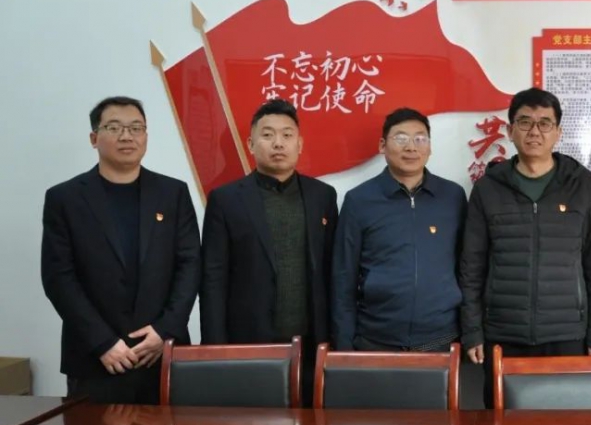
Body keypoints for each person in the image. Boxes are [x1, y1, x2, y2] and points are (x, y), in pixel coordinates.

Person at [459, 87, 591, 407]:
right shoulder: (488, 189)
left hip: (568, 334)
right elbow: (471, 268)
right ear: (510, 131)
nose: (534, 131)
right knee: (502, 423)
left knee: (565, 423)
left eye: (545, 123)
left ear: (558, 132)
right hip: (503, 333)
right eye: (525, 122)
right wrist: (472, 330)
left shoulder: (582, 185)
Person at [42, 96, 200, 404]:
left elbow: (190, 264)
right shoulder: (65, 199)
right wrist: (102, 342)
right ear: (94, 138)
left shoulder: (173, 193)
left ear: (146, 136)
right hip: (95, 359)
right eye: (114, 128)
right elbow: (58, 278)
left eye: (136, 128)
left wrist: (164, 330)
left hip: (161, 354)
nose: (127, 136)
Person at [199, 99, 338, 405]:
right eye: (267, 135)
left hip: (312, 342)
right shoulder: (225, 200)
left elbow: (333, 270)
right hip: (249, 342)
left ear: (299, 144)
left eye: (287, 135)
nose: (278, 143)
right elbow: (212, 279)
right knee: (252, 423)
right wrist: (214, 348)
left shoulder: (323, 196)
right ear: (250, 144)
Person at [332, 108, 466, 352]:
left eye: (420, 138)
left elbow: (467, 267)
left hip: (441, 338)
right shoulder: (359, 200)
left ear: (430, 147)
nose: (411, 147)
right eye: (401, 138)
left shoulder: (452, 197)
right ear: (382, 145)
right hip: (375, 339)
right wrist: (343, 346)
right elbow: (343, 277)